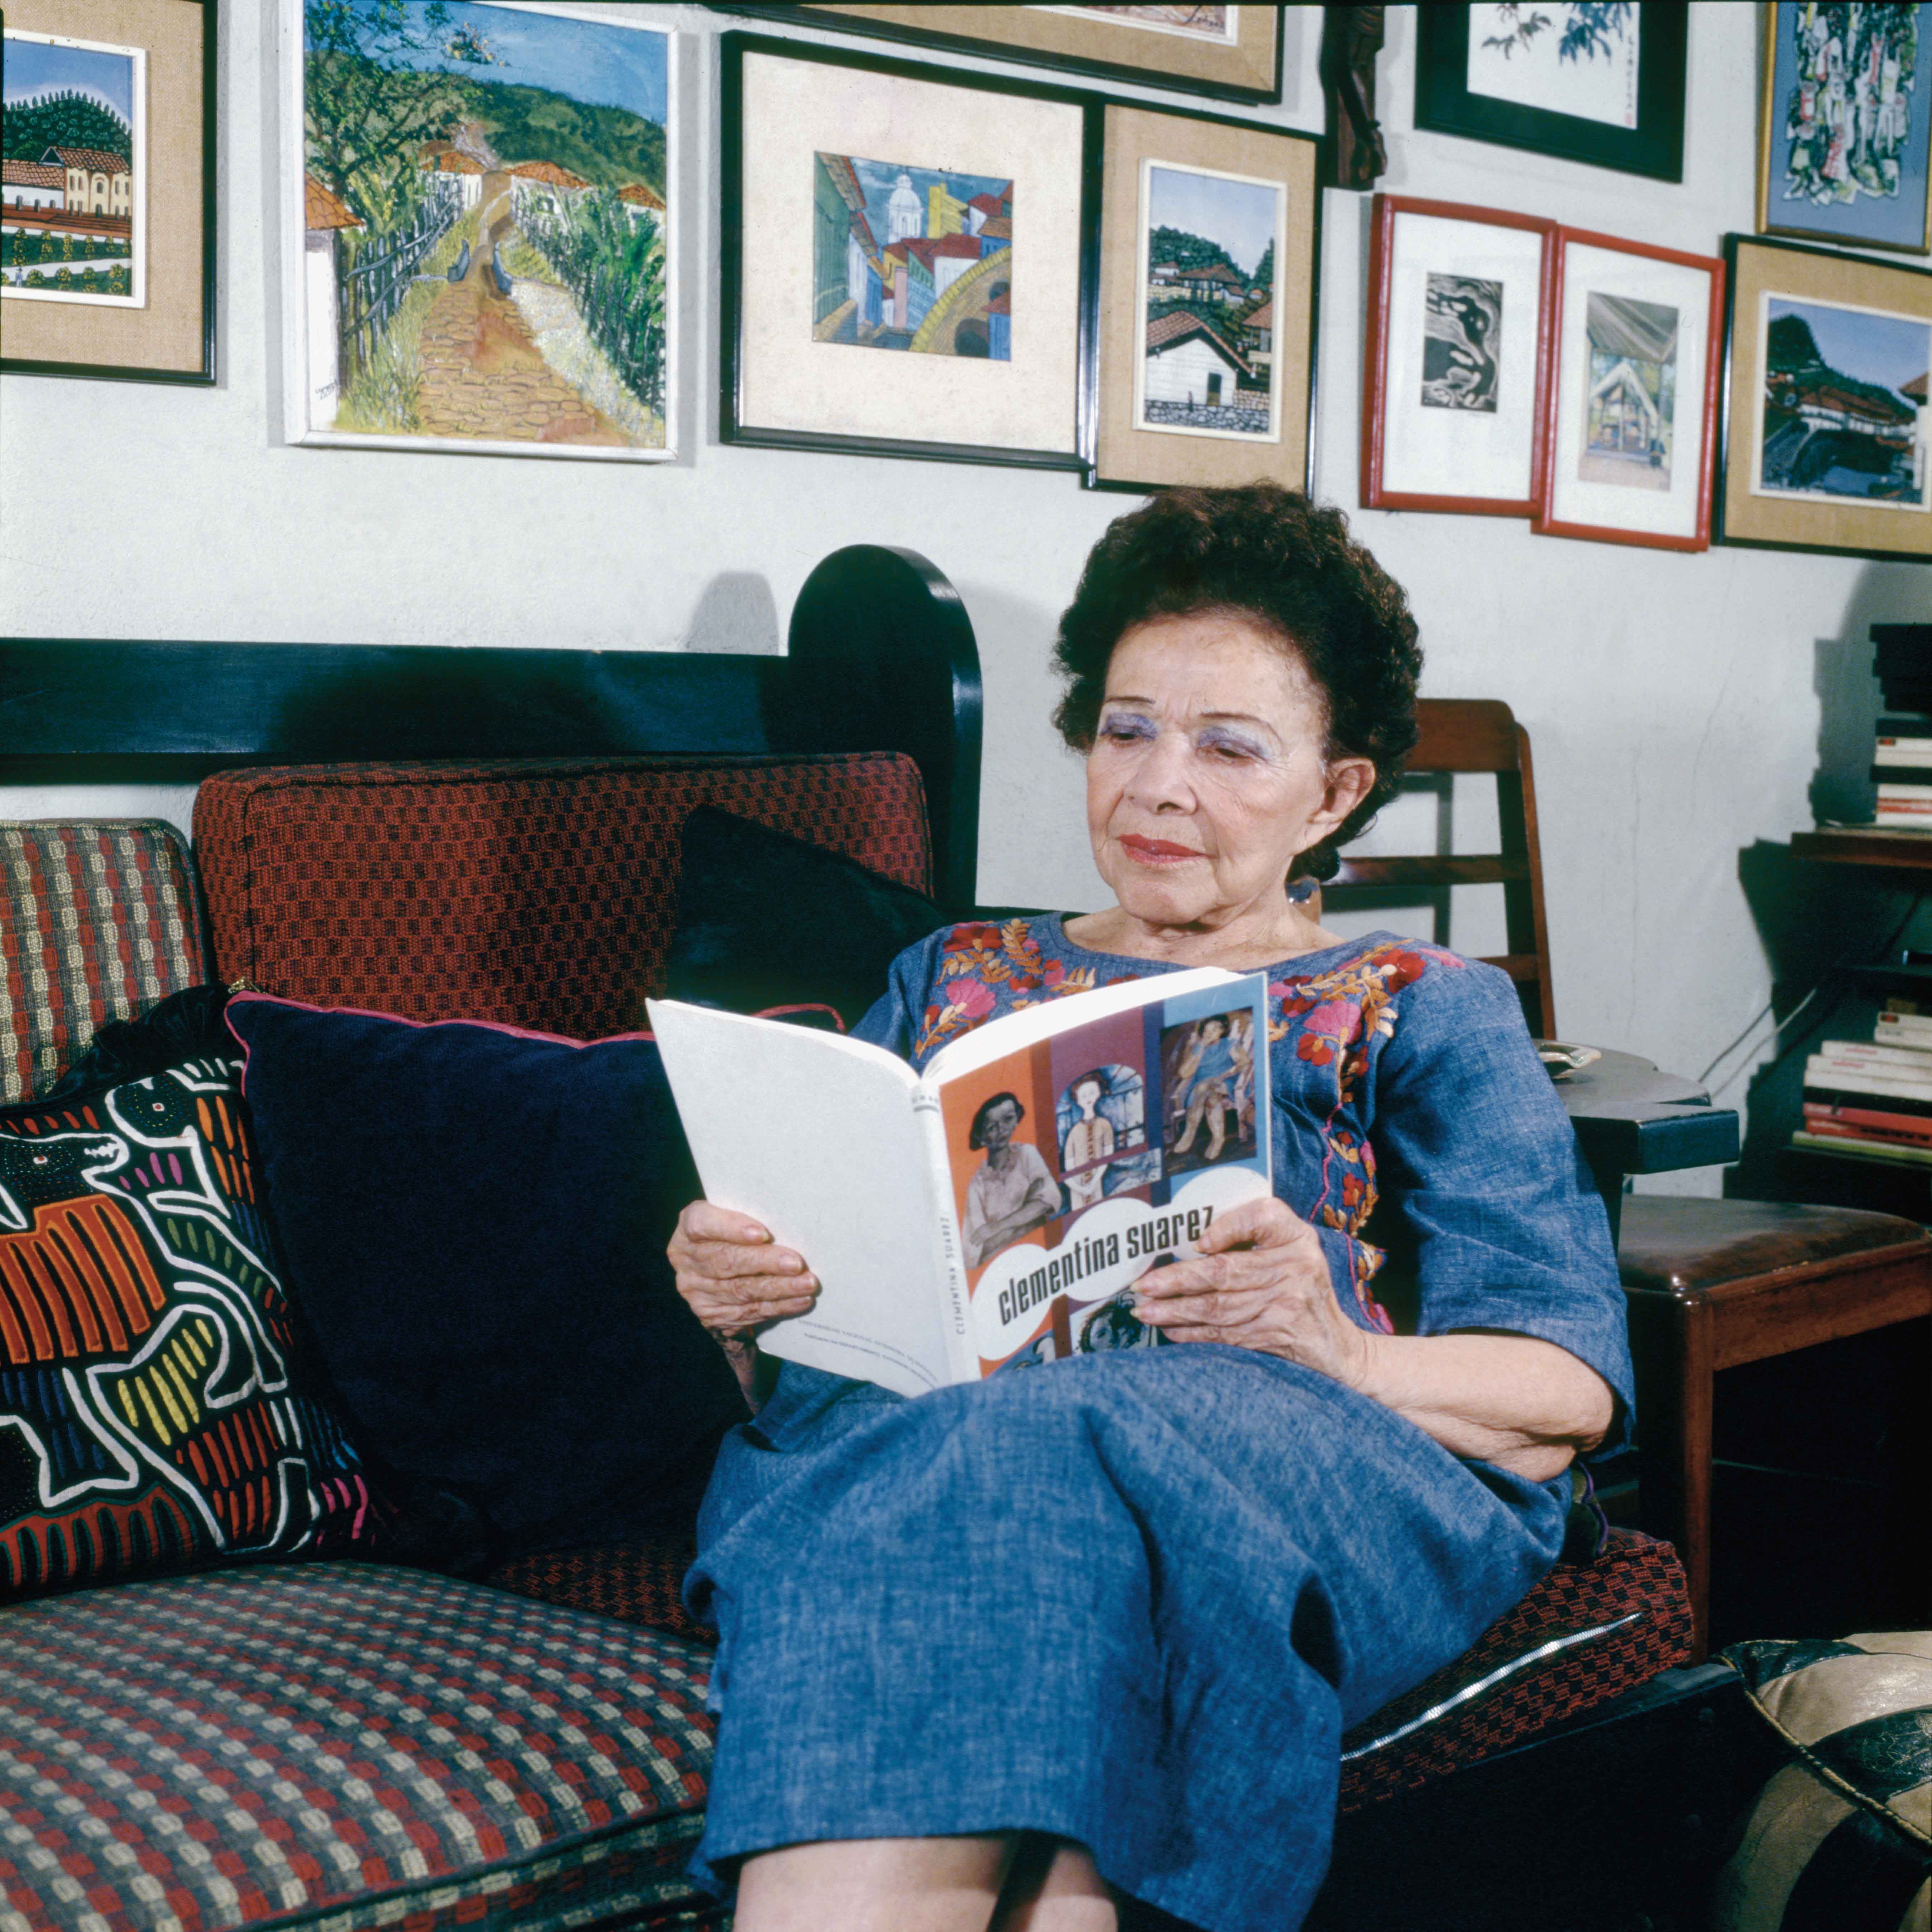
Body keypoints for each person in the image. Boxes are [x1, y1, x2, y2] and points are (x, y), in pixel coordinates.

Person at [668, 482, 1629, 1932]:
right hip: (949, 1449)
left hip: (1304, 1457)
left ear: (1336, 791)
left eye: (1232, 747)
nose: (1161, 783)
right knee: (1006, 1500)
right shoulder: (953, 980)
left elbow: (1565, 1392)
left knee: (1028, 1441)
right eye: (1128, 727)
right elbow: (830, 1338)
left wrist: (1338, 1347)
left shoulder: (1424, 1007)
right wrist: (753, 1289)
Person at [961, 1090, 1063, 1269]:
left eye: (1008, 1119)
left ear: (1017, 1119)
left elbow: (1049, 1202)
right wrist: (1026, 1214)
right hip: (998, 1263)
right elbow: (976, 1243)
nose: (1002, 1130)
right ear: (981, 1137)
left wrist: (998, 1227)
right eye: (992, 1128)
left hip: (1037, 1252)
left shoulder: (1027, 1154)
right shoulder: (978, 1184)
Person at [1060, 1071, 1117, 1209]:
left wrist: (1094, 1182)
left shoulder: (1105, 1125)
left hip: (1097, 1183)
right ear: (1077, 1100)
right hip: (1078, 1188)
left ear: (1099, 1092)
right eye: (1084, 1095)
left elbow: (1107, 1156)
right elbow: (1069, 1166)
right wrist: (1080, 1189)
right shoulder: (1074, 1132)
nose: (1088, 1098)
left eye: (1092, 1092)